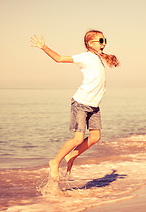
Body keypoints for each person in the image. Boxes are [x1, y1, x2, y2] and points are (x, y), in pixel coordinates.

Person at [30, 30, 120, 181]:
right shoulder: (85, 57)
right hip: (81, 103)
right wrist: (44, 47)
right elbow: (59, 59)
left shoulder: (98, 58)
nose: (104, 44)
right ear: (90, 44)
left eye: (105, 40)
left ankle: (72, 155)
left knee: (95, 137)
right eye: (101, 41)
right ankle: (55, 162)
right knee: (78, 138)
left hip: (94, 106)